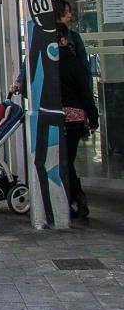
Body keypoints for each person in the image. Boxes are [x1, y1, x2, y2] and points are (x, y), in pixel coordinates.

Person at [56, 22, 99, 218]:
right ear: (64, 39)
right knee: (68, 159)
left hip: (53, 116)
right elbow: (85, 91)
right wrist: (92, 116)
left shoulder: (47, 64)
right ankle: (76, 197)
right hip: (74, 118)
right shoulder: (74, 62)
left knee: (63, 160)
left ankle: (72, 197)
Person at [9, 0, 90, 94]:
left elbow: (83, 65)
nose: (70, 15)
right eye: (66, 12)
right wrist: (20, 81)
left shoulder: (73, 37)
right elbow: (30, 60)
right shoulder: (45, 36)